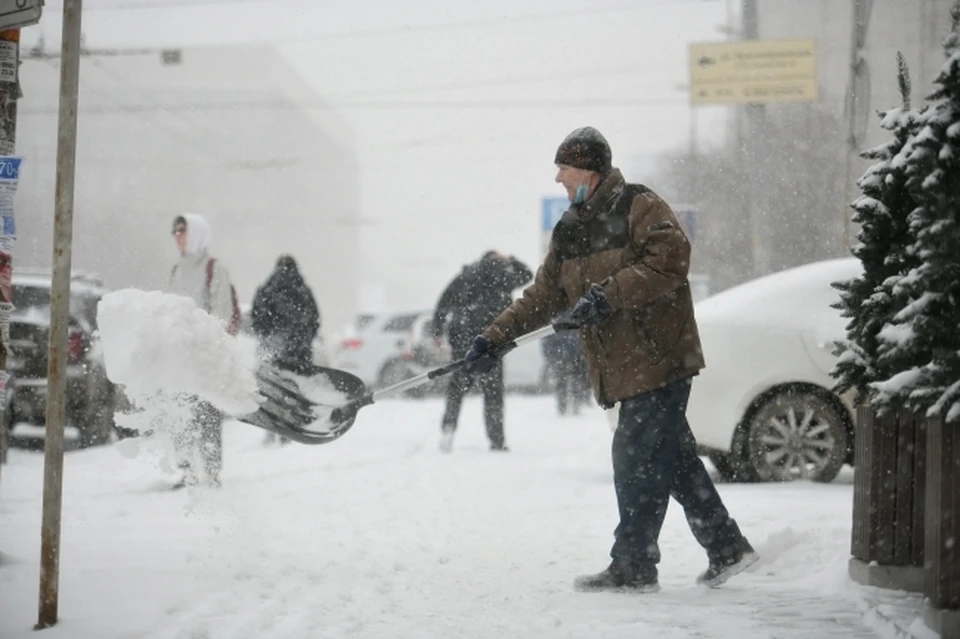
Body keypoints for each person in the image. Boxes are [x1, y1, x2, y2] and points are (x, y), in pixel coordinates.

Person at [461, 127, 758, 592]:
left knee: (635, 456)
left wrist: (609, 295)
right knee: (673, 458)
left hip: (659, 355)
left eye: (565, 167)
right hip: (620, 362)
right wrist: (492, 338)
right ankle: (727, 546)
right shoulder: (571, 228)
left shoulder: (640, 205)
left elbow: (670, 261)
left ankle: (634, 564)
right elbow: (543, 295)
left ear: (591, 170)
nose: (558, 176)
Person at [431, 251, 532, 453]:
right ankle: (496, 440)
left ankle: (448, 429)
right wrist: (512, 259)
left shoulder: (466, 276)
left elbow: (443, 302)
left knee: (457, 388)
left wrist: (437, 330)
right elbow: (527, 275)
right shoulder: (502, 275)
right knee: (493, 393)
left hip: (463, 338)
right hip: (491, 339)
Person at [168, 213, 236, 488]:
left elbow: (222, 312)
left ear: (197, 233)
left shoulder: (214, 268)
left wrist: (203, 339)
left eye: (183, 230)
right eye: (175, 232)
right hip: (178, 357)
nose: (178, 236)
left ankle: (211, 470)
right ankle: (187, 470)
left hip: (204, 356)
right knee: (180, 412)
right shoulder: (176, 270)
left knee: (207, 414)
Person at [250, 254, 321, 445]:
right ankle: (290, 428)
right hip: (298, 352)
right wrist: (303, 340)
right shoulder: (303, 291)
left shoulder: (266, 290)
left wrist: (268, 338)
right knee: (293, 388)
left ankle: (270, 426)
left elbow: (256, 318)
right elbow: (314, 320)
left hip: (273, 349)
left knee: (271, 388)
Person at [541, 328, 590, 416]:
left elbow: (545, 337)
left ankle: (564, 405)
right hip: (573, 349)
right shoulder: (573, 317)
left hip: (560, 349)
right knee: (574, 378)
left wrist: (548, 353)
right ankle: (574, 403)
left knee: (563, 379)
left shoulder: (554, 318)